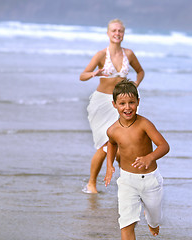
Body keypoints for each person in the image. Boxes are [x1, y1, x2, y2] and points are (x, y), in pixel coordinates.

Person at [80, 19, 144, 193]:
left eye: (120, 31)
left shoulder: (128, 54)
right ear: (108, 33)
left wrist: (135, 85)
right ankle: (91, 183)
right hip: (101, 104)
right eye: (114, 30)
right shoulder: (101, 55)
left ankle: (128, 182)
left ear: (123, 33)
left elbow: (140, 71)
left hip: (121, 104)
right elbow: (82, 75)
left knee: (121, 146)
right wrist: (94, 73)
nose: (117, 33)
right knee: (104, 145)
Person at [104, 80, 170, 239]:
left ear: (138, 102)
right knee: (126, 223)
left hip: (149, 180)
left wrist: (150, 157)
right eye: (122, 103)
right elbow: (112, 144)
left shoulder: (144, 124)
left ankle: (152, 222)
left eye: (131, 102)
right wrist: (109, 166)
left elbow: (164, 146)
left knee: (155, 218)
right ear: (114, 105)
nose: (127, 107)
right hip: (127, 180)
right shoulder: (112, 130)